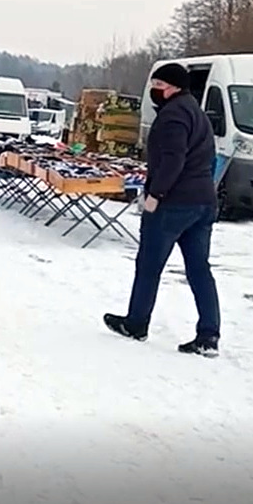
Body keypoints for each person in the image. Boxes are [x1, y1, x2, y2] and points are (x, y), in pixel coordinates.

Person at [104, 63, 221, 357]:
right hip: (203, 201)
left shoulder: (173, 116)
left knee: (149, 265)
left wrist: (155, 194)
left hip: (173, 203)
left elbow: (173, 159)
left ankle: (136, 323)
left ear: (172, 87)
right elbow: (210, 158)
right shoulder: (198, 114)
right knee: (199, 269)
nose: (154, 89)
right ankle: (209, 334)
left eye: (158, 84)